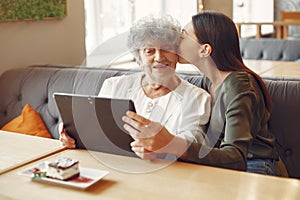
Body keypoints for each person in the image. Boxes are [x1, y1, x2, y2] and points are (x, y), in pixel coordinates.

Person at [122, 11, 288, 176]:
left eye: (184, 35)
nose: (176, 41)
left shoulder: (240, 86)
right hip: (220, 165)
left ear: (204, 50)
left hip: (255, 166)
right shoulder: (207, 81)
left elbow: (236, 158)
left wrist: (173, 144)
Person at [59, 14, 211, 160]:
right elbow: (94, 129)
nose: (159, 57)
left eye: (166, 49)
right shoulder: (113, 86)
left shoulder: (197, 98)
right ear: (139, 57)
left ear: (177, 54)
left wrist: (161, 151)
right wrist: (73, 133)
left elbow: (191, 145)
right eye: (149, 51)